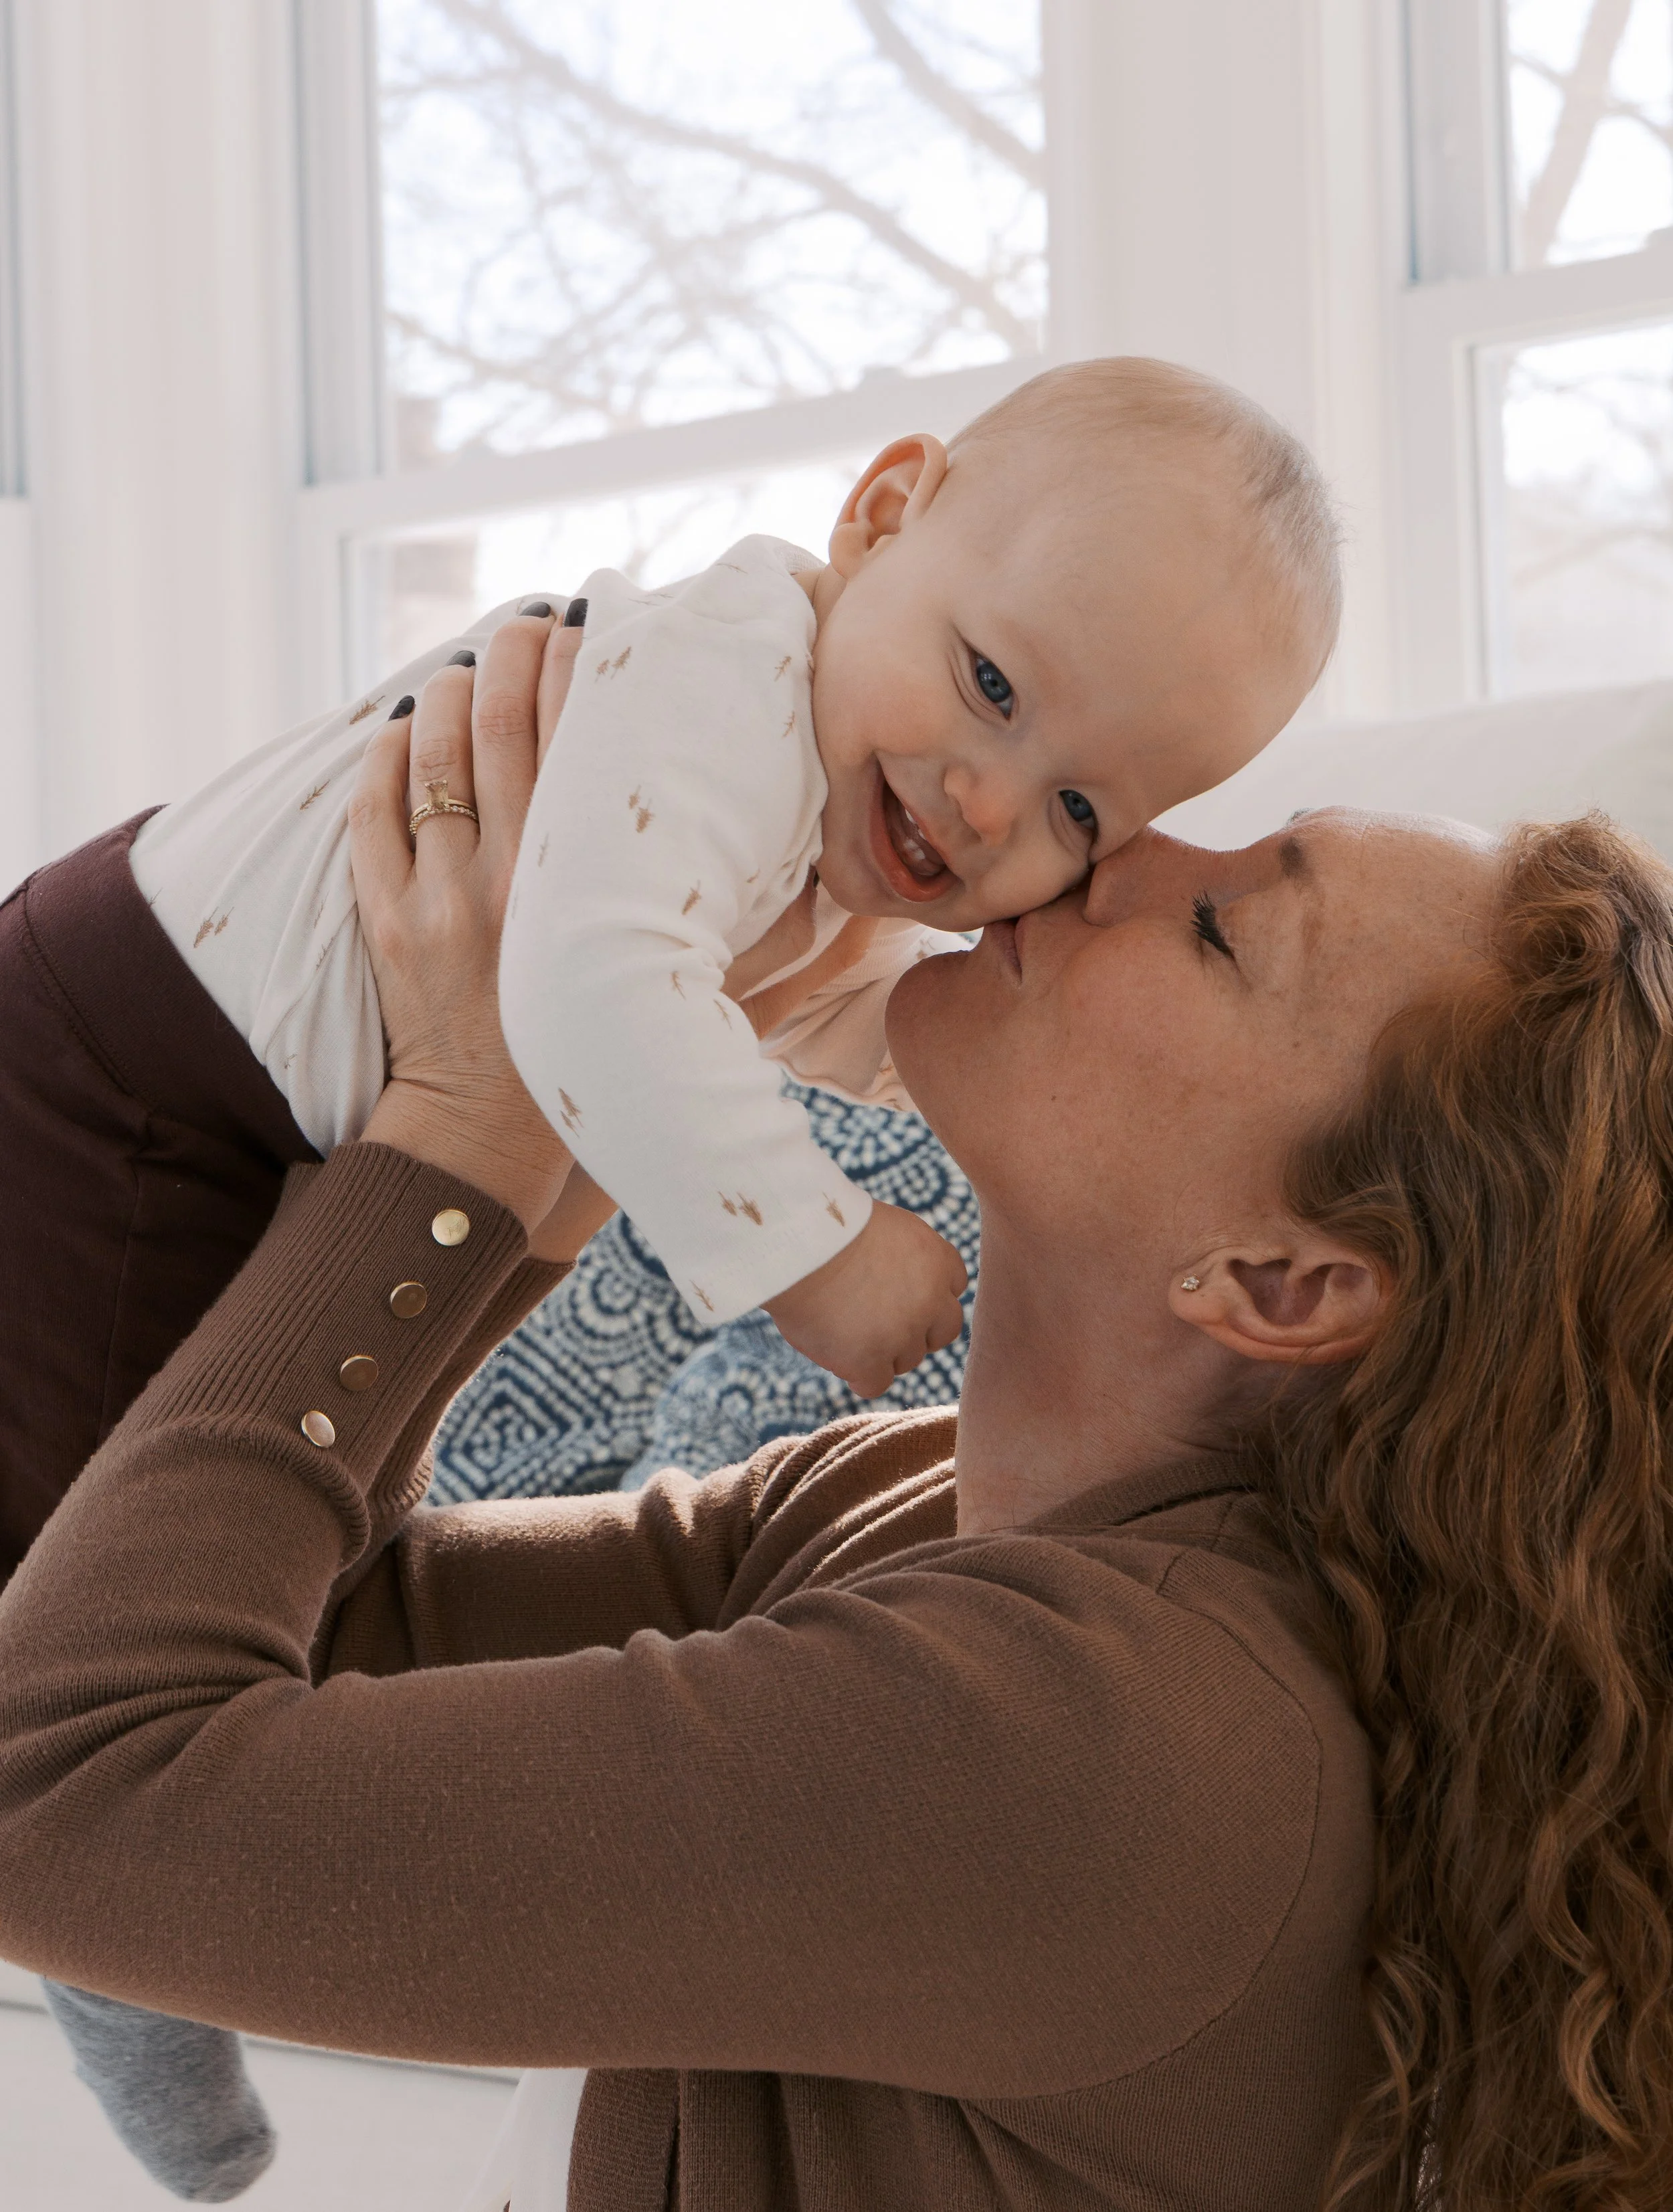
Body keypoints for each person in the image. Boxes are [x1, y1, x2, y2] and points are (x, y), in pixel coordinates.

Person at [5, 644, 1671, 2208]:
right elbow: (308, 1641)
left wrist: (456, 1140)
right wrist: (555, 1144)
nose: (1123, 856)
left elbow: (53, 1786)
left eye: (1221, 928)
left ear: (1278, 1283)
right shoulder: (925, 1502)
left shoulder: (1114, 1746)